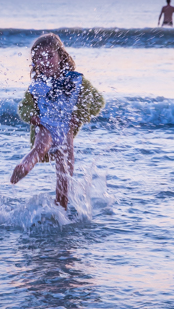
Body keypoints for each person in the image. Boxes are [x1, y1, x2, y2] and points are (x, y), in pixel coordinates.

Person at [10, 33, 104, 208]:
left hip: (65, 131)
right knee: (42, 143)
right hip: (44, 127)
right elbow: (23, 107)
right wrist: (32, 115)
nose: (44, 61)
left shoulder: (77, 81)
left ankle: (62, 204)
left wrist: (80, 115)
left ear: (61, 56)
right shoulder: (37, 85)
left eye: (49, 56)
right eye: (38, 58)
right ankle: (24, 166)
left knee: (65, 171)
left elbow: (98, 101)